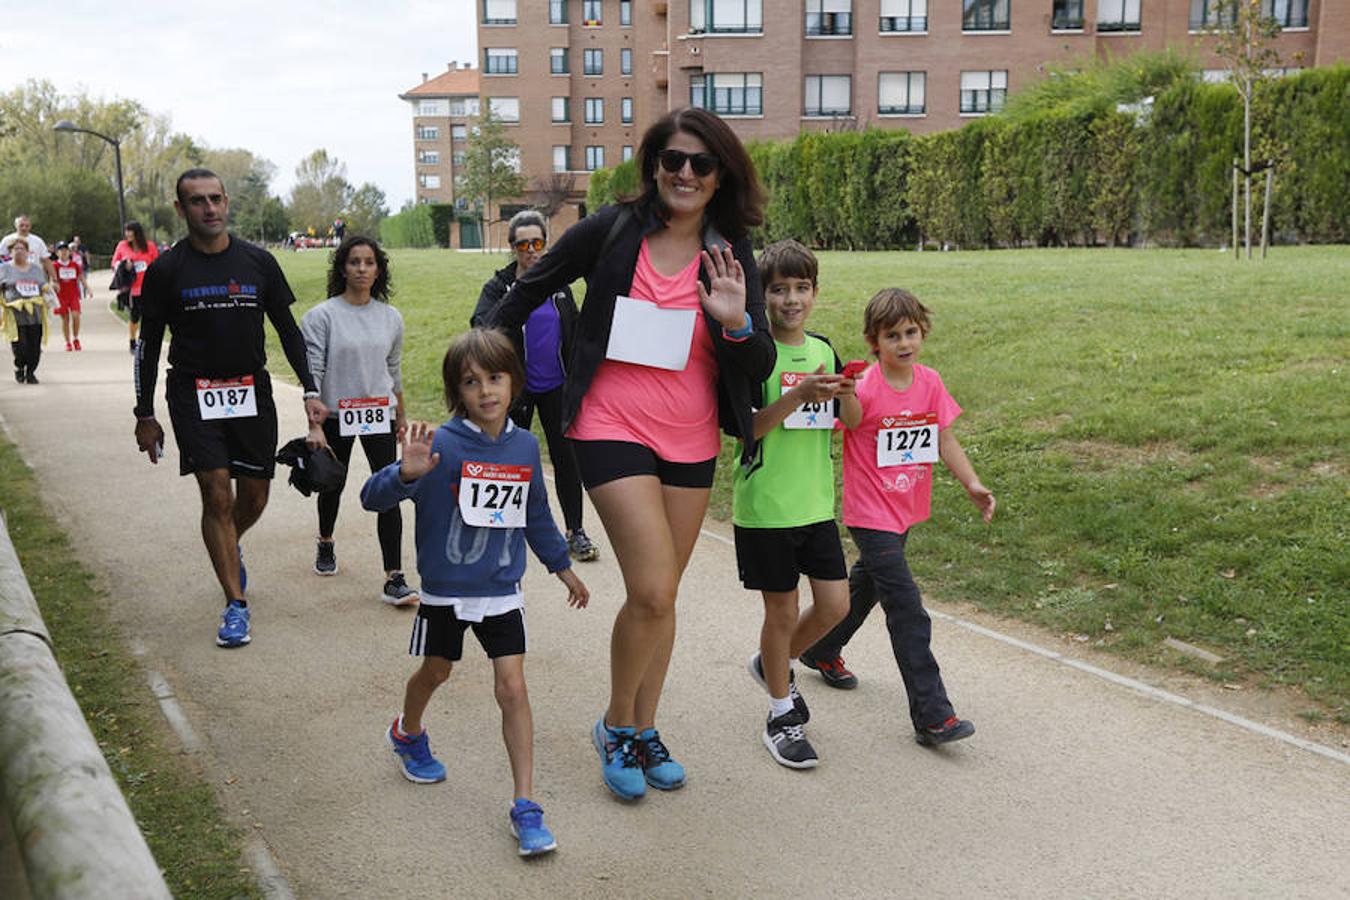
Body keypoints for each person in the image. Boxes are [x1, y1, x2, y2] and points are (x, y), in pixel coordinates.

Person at [486, 107, 774, 800]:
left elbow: (760, 359)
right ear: (654, 165)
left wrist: (735, 322)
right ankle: (615, 726)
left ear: (720, 176)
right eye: (672, 159)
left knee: (663, 596)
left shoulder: (729, 254)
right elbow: (521, 293)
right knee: (649, 587)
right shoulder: (611, 232)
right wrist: (485, 365)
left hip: (692, 434)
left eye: (700, 164)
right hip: (610, 423)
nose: (684, 173)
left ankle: (645, 727)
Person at [360, 328, 589, 857]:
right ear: (455, 391)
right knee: (437, 671)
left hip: (502, 590)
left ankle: (526, 805)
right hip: (445, 590)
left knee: (513, 688)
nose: (485, 390)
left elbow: (535, 514)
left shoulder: (525, 445)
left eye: (495, 377)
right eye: (471, 382)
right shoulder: (438, 445)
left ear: (514, 382)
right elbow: (373, 497)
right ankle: (407, 732)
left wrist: (562, 568)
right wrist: (403, 473)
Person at [133, 168, 328, 649]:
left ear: (227, 201)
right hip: (192, 392)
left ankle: (227, 543)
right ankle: (235, 604)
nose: (209, 208)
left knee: (254, 497)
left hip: (251, 391)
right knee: (216, 493)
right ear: (181, 210)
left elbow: (288, 330)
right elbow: (149, 346)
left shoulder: (258, 263)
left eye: (216, 198)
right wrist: (144, 412)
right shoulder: (166, 271)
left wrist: (309, 389)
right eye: (197, 201)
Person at [801, 289, 995, 747]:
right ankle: (932, 715)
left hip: (904, 509)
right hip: (870, 514)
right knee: (906, 605)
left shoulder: (929, 381)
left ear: (921, 333)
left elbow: (943, 438)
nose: (904, 342)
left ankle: (821, 648)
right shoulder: (865, 385)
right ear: (874, 341)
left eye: (911, 332)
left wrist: (972, 484)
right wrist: (846, 393)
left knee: (867, 586)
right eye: (892, 335)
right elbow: (848, 422)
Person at [732, 240, 857, 769]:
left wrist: (845, 389)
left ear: (815, 294)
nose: (791, 299)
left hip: (815, 505)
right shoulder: (756, 355)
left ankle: (774, 663)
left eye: (801, 288)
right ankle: (781, 715)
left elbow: (850, 421)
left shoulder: (823, 349)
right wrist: (795, 398)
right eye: (778, 289)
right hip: (765, 507)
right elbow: (746, 431)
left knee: (835, 606)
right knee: (780, 611)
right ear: (762, 297)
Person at [471, 209, 598, 563]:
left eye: (537, 243)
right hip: (517, 390)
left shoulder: (559, 286)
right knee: (509, 459)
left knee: (566, 459)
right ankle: (502, 529)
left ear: (546, 244)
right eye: (523, 244)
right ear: (513, 247)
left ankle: (576, 531)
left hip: (557, 386)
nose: (531, 250)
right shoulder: (498, 287)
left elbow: (573, 331)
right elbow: (482, 327)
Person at [301, 235, 416, 604]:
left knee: (389, 489)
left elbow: (393, 368)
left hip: (378, 412)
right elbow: (313, 372)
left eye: (369, 262)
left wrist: (400, 414)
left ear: (378, 269)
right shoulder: (321, 316)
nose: (362, 269)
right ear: (342, 268)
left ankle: (394, 575)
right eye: (354, 262)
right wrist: (315, 422)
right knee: (332, 483)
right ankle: (326, 541)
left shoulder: (390, 317)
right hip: (336, 412)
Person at [0, 238, 51, 384]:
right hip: (15, 314)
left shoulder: (36, 269)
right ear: (10, 252)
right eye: (16, 249)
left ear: (28, 252)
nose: (19, 251)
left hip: (35, 313)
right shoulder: (4, 269)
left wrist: (49, 291)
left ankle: (31, 372)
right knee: (20, 346)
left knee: (35, 347)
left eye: (22, 249)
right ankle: (20, 367)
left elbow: (43, 286)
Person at [112, 221, 159, 354]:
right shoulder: (122, 246)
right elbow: (114, 262)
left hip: (148, 287)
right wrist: (123, 265)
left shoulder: (150, 246)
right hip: (131, 288)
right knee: (134, 316)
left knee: (149, 316)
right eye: (126, 231)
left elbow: (157, 263)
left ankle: (146, 341)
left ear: (137, 232)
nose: (127, 234)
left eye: (130, 231)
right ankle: (133, 341)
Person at [51, 241, 89, 351]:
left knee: (76, 316)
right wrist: (53, 286)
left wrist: (88, 288)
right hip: (61, 296)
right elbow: (52, 280)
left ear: (69, 252)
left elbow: (81, 277)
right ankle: (67, 342)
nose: (63, 252)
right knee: (65, 319)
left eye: (65, 250)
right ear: (57, 253)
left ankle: (76, 338)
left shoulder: (74, 265)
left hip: (73, 295)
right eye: (61, 250)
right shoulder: (55, 265)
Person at [1, 216, 56, 282]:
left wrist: (54, 279)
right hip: (13, 277)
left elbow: (47, 261)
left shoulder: (38, 241)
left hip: (34, 277)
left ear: (30, 226)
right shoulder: (7, 240)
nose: (24, 228)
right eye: (21, 225)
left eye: (27, 226)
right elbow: (1, 257)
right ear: (16, 225)